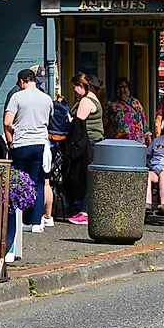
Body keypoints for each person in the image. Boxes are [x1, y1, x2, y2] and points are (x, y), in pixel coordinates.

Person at [4, 67, 55, 232]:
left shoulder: (16, 97)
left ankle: (21, 219)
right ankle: (36, 222)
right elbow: (49, 119)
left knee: (20, 182)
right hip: (40, 143)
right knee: (38, 183)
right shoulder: (46, 98)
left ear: (21, 81)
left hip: (21, 144)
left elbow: (7, 122)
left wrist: (17, 127)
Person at [63, 73, 105, 225]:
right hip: (92, 141)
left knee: (84, 176)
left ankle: (83, 211)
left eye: (75, 86)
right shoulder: (91, 99)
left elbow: (78, 124)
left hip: (88, 142)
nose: (73, 89)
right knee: (85, 176)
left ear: (81, 86)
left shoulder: (86, 101)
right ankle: (80, 209)